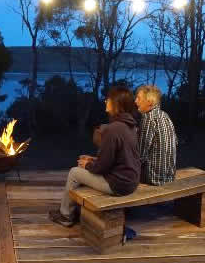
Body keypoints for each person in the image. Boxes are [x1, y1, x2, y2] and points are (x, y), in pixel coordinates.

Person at [49, 86, 141, 227]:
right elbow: (119, 158)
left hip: (118, 184)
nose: (105, 101)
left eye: (108, 99)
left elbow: (103, 167)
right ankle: (75, 209)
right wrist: (93, 160)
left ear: (116, 103)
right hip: (131, 181)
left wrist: (87, 165)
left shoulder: (113, 129)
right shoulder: (131, 126)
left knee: (74, 172)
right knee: (83, 170)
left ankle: (65, 215)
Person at [135, 85, 177, 186]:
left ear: (149, 102)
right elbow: (175, 141)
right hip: (169, 175)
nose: (135, 101)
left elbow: (141, 154)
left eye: (139, 98)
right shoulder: (164, 115)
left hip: (153, 178)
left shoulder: (148, 118)